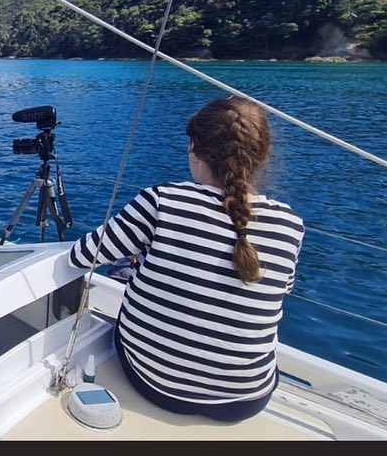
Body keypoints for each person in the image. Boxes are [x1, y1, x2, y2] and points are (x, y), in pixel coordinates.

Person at [68, 96, 304, 422]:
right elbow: (282, 287)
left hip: (157, 384)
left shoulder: (163, 200)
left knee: (125, 266)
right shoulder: (290, 223)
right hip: (247, 400)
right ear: (261, 158)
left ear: (195, 150)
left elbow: (83, 256)